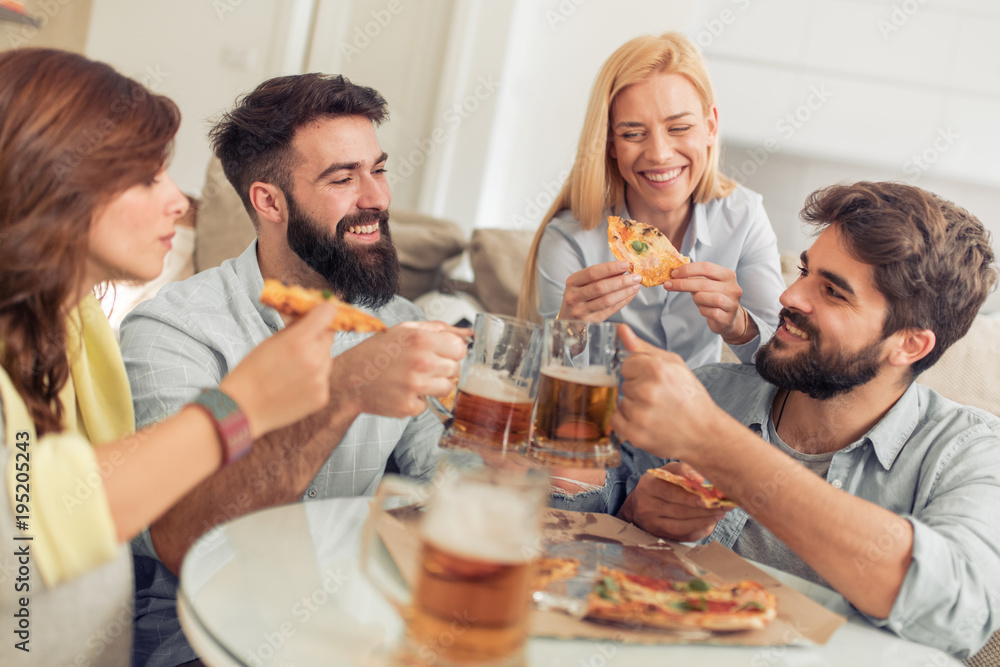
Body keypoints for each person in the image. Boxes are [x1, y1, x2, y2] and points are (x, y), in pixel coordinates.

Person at [0, 49, 344, 666]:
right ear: (50, 179)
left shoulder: (72, 329)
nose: (179, 203)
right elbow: (26, 517)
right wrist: (242, 404)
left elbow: (81, 472)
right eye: (146, 177)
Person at [119, 73, 469, 667]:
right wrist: (345, 391)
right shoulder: (173, 330)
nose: (377, 198)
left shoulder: (398, 323)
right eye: (342, 177)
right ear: (269, 201)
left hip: (360, 628)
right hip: (201, 639)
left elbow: (452, 485)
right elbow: (186, 541)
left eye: (378, 169)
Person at [611, 181, 1000, 658]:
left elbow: (957, 613)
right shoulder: (707, 392)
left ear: (910, 344)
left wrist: (715, 443)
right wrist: (636, 518)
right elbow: (575, 527)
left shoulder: (971, 452)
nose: (790, 295)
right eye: (803, 271)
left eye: (833, 292)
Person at [518, 32, 785, 369]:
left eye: (679, 128)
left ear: (710, 127)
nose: (659, 154)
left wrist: (739, 325)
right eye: (632, 133)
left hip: (698, 413)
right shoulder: (570, 238)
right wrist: (567, 334)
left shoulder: (744, 218)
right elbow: (550, 381)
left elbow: (783, 361)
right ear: (610, 144)